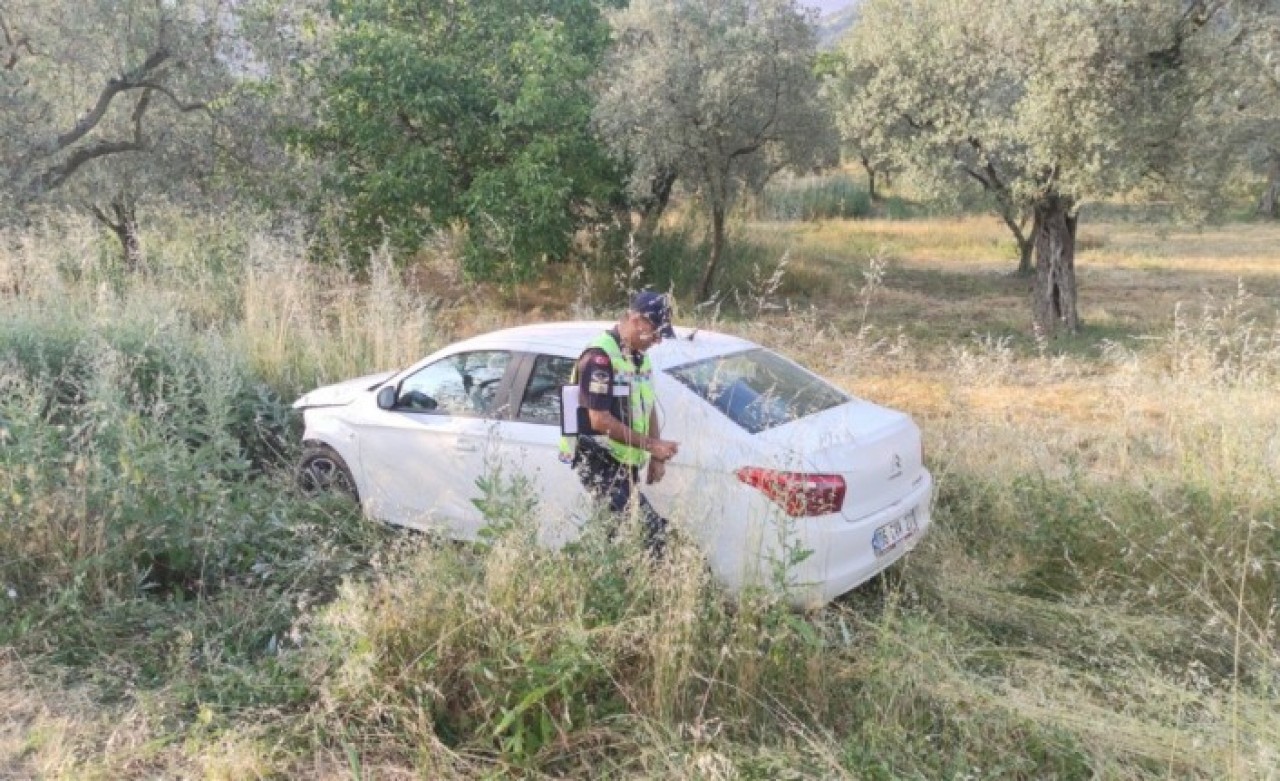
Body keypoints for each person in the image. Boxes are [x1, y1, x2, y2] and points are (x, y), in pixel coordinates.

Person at [560, 292, 681, 556]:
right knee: (650, 534)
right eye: (656, 332)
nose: (659, 340)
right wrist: (651, 445)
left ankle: (595, 581)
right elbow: (599, 420)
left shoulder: (639, 357)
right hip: (598, 458)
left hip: (624, 461)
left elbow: (646, 406)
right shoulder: (600, 358)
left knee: (615, 537)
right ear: (637, 321)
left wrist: (655, 453)